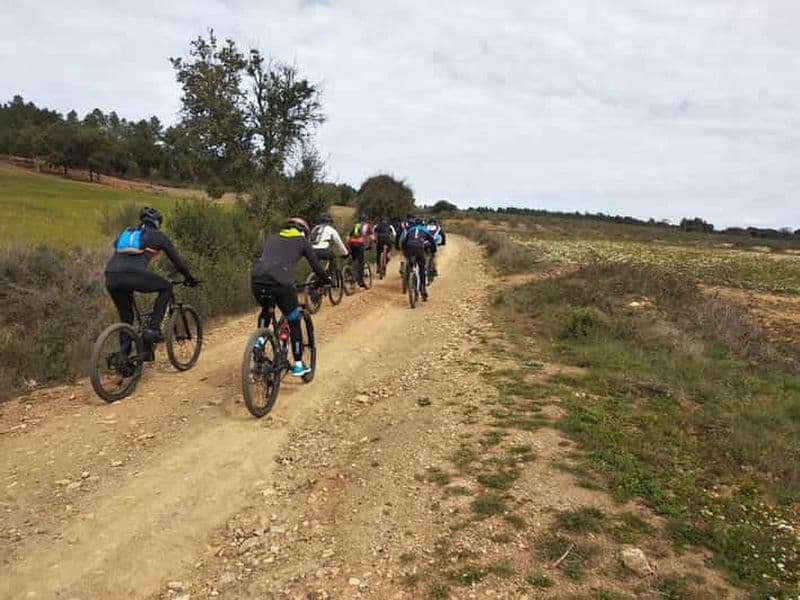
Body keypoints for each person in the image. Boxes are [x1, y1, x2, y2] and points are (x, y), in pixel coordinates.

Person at [104, 207, 197, 347]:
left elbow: (117, 247)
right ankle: (152, 329)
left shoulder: (127, 233)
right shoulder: (158, 236)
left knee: (127, 318)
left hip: (111, 276)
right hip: (131, 275)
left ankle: (124, 358)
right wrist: (190, 278)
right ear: (158, 223)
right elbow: (178, 263)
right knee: (166, 287)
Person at [251, 216, 331, 376]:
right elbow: (316, 266)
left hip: (257, 279)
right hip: (281, 283)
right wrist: (325, 280)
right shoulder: (302, 242)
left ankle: (258, 341)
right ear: (304, 232)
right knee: (294, 320)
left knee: (267, 308)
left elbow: (263, 258)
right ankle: (298, 364)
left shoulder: (272, 238)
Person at [400, 217, 437, 300]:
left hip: (409, 248)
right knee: (422, 269)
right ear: (422, 224)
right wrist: (434, 250)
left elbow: (403, 241)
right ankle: (422, 289)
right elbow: (432, 241)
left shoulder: (410, 230)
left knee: (410, 264)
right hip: (419, 248)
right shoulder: (424, 230)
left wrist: (404, 251)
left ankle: (409, 279)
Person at [346, 214, 372, 287]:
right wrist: (371, 245)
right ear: (366, 219)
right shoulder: (367, 226)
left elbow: (348, 236)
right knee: (361, 263)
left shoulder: (356, 225)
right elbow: (372, 237)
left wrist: (347, 245)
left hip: (351, 244)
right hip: (360, 245)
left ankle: (350, 274)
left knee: (354, 260)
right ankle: (360, 281)